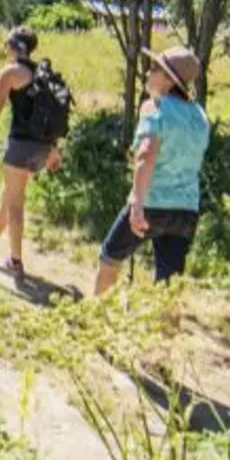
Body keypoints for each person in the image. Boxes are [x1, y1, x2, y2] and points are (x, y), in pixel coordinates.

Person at [96, 45, 212, 295]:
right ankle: (168, 332)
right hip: (186, 209)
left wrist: (137, 203)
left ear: (170, 80)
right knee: (169, 285)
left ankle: (93, 322)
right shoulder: (200, 116)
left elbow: (146, 155)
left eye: (155, 68)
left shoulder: (154, 107)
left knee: (109, 258)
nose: (148, 73)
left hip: (152, 202)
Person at [0, 25, 66, 281]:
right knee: (11, 194)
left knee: (15, 203)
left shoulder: (11, 72)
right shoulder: (42, 73)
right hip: (43, 147)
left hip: (21, 145)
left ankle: (15, 261)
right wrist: (54, 151)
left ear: (13, 46)